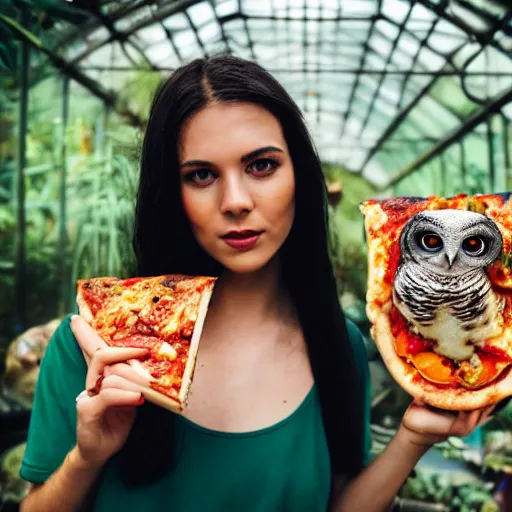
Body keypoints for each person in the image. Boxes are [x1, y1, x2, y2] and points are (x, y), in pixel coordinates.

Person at [19, 55, 494, 512]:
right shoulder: (95, 346)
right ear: (171, 192)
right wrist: (86, 458)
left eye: (261, 165)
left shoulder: (339, 346)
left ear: (300, 177)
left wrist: (414, 437)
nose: (236, 200)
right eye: (201, 175)